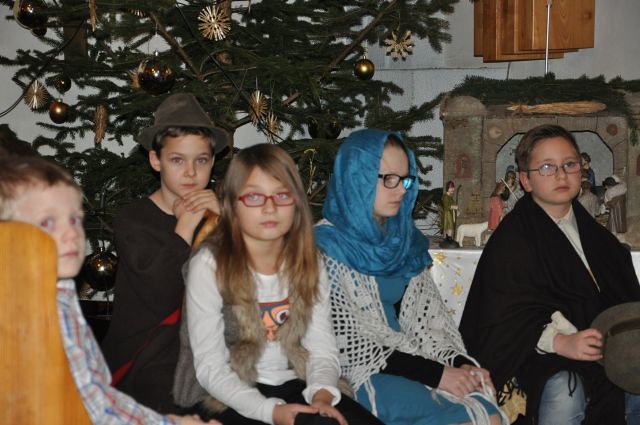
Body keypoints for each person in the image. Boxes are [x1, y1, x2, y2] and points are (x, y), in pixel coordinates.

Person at [172, 143, 383, 425]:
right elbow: (211, 368)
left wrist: (322, 394)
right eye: (254, 197)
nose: (270, 208)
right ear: (232, 205)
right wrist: (269, 411)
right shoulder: (209, 265)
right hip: (225, 392)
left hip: (297, 382)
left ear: (296, 203)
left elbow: (321, 347)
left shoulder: (309, 261)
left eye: (282, 195)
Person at [0, 156, 218, 425]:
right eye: (47, 222)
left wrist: (169, 421)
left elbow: (98, 396)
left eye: (74, 219)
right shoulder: (29, 313)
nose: (71, 233)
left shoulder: (61, 298)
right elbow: (94, 411)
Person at [315, 129, 505, 425]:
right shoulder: (323, 247)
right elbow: (350, 346)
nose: (402, 190)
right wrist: (438, 374)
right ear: (357, 177)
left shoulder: (405, 241)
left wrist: (461, 364)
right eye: (389, 179)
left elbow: (431, 326)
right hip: (363, 373)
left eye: (405, 179)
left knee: (485, 409)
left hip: (413, 361)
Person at [459, 124, 640, 425]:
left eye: (569, 164)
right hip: (535, 353)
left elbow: (622, 295)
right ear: (525, 181)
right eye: (546, 167)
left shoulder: (596, 234)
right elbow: (502, 318)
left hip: (603, 346)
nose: (561, 175)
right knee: (565, 389)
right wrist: (560, 342)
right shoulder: (511, 240)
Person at [101, 93, 230, 413]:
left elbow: (245, 286)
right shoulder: (133, 220)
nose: (191, 172)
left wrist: (226, 227)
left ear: (213, 162)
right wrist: (185, 227)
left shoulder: (222, 217)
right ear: (155, 160)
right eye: (177, 160)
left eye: (201, 160)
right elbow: (161, 294)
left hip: (207, 352)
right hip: (146, 356)